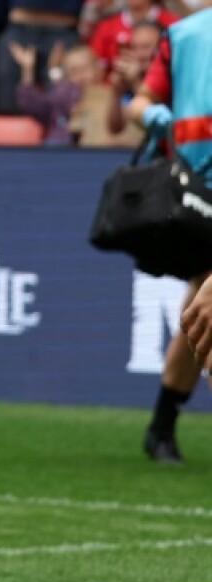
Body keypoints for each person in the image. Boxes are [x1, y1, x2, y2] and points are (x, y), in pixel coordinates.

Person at [127, 7, 212, 462]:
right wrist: (158, 116)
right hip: (199, 189)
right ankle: (161, 426)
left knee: (200, 307)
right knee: (204, 303)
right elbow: (138, 103)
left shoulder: (179, 33)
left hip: (196, 185)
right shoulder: (182, 36)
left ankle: (162, 425)